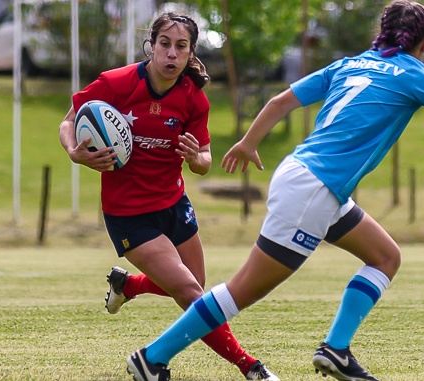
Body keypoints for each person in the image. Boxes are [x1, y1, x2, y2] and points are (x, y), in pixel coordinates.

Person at [124, 1, 424, 381]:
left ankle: (336, 350)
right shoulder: (416, 74)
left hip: (304, 178)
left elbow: (279, 102)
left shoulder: (351, 64)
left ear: (380, 33)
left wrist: (250, 142)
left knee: (385, 256)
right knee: (240, 291)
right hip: (314, 191)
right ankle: (152, 357)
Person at [58, 11, 279, 381]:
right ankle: (249, 366)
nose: (171, 54)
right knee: (194, 294)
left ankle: (128, 285)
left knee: (194, 287)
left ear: (191, 52)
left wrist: (197, 158)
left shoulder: (193, 99)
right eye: (164, 44)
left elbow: (205, 162)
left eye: (181, 47)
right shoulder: (117, 83)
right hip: (129, 214)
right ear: (152, 46)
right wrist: (73, 151)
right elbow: (69, 121)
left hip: (175, 206)